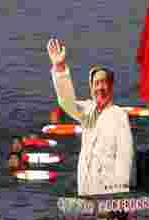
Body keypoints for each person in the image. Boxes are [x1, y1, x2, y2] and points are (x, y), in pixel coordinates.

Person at [48, 38, 135, 196]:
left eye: (104, 83)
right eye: (96, 83)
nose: (100, 87)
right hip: (86, 190)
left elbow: (125, 158)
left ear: (111, 86)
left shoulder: (119, 116)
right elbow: (66, 102)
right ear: (91, 88)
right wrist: (60, 68)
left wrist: (117, 196)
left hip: (109, 194)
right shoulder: (87, 111)